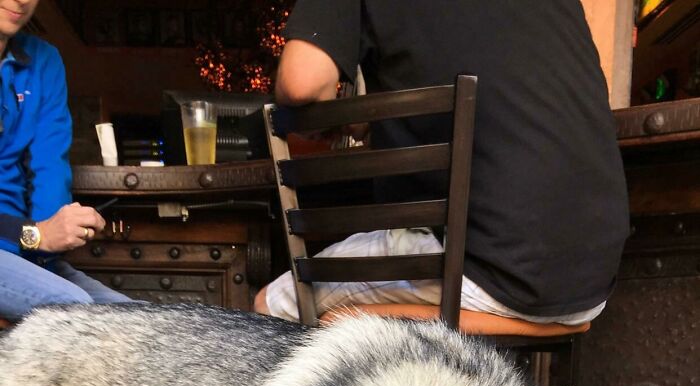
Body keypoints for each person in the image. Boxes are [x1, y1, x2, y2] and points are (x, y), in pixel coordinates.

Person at [255, 0, 629, 327]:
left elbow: (302, 82)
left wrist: (330, 117)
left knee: (268, 309)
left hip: (489, 267)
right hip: (591, 281)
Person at [0, 0, 129, 320]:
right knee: (70, 308)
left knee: (139, 321)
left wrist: (53, 235)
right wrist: (35, 234)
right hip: (19, 238)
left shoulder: (43, 61)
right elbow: (37, 234)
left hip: (23, 249)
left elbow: (50, 167)